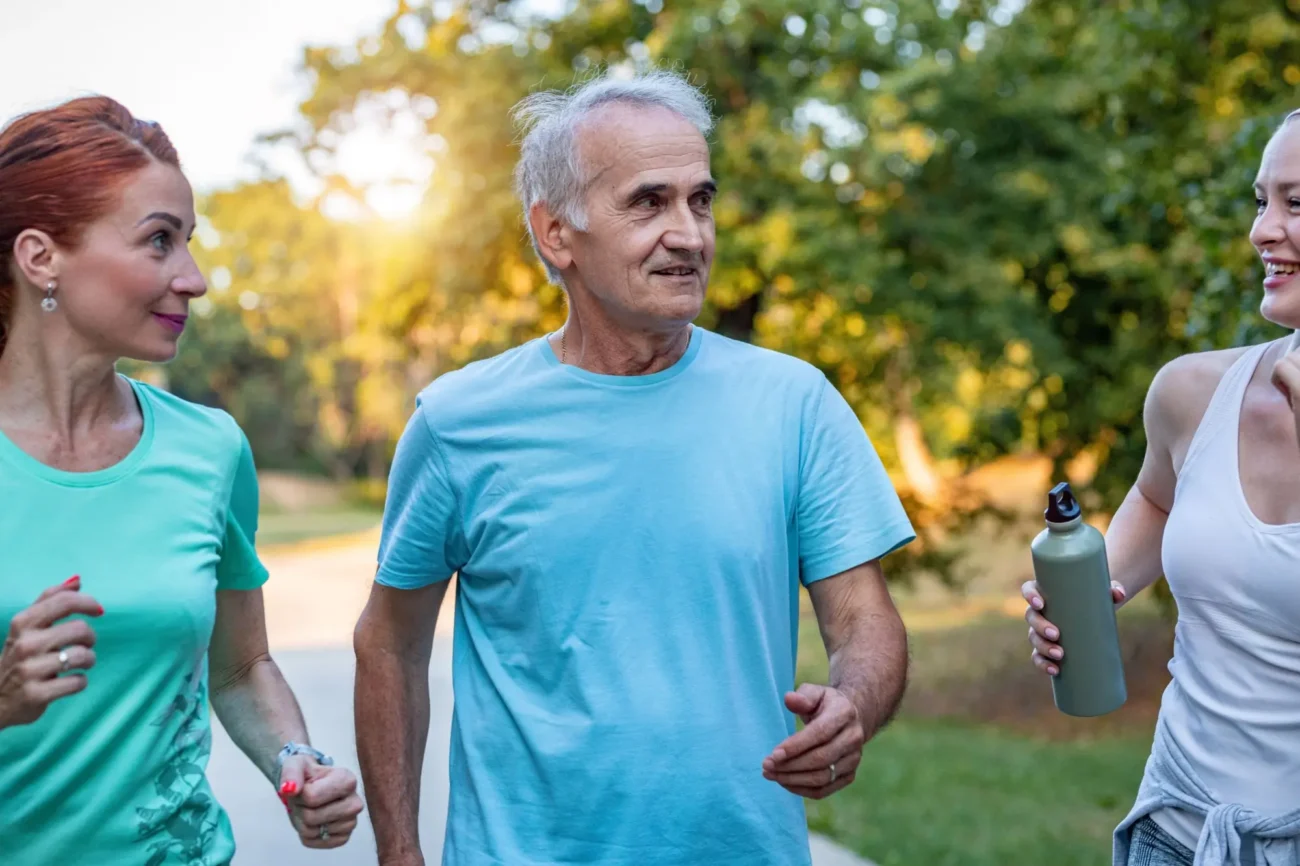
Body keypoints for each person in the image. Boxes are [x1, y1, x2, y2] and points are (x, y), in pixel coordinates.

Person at [352, 69, 917, 866]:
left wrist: (853, 704)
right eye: (649, 202)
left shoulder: (794, 403)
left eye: (701, 199)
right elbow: (390, 644)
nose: (689, 233)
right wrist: (399, 855)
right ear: (556, 234)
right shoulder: (458, 423)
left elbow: (865, 620)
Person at [0, 97, 364, 865]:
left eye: (188, 243)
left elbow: (240, 667)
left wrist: (293, 756)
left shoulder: (209, 449)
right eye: (158, 242)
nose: (194, 279)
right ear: (41, 258)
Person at [1023, 108, 1300, 866]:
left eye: (1296, 204)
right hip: (1174, 833)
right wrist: (1092, 590)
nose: (1262, 231)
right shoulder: (1194, 392)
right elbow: (1156, 496)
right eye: (1260, 200)